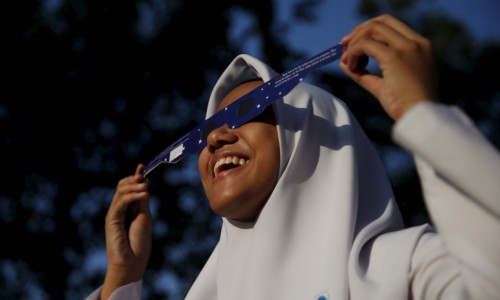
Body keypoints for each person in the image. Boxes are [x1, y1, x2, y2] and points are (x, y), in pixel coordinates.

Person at [86, 14, 500, 300]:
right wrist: (123, 275)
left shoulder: (404, 271)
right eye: (203, 135)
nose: (216, 139)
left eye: (246, 113)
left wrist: (423, 117)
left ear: (309, 136)